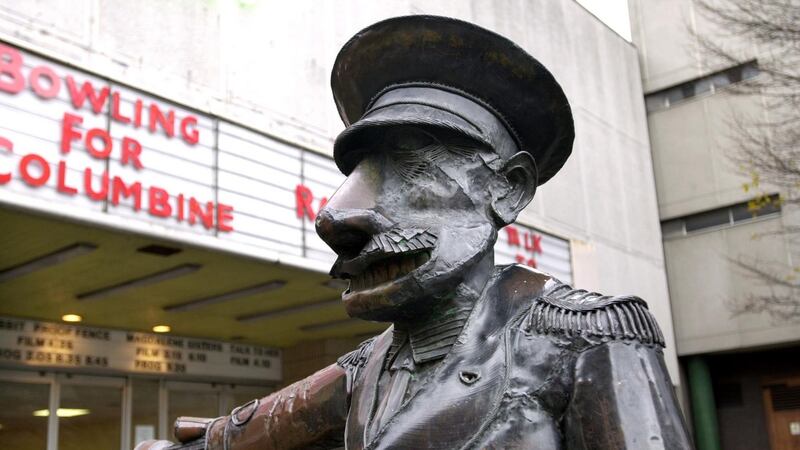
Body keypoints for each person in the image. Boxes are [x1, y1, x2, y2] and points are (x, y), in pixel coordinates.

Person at [137, 15, 691, 450]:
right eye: (359, 175)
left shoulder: (588, 338)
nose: (336, 217)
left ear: (509, 189)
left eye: (415, 170)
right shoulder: (366, 367)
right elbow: (245, 432)